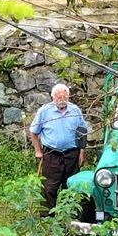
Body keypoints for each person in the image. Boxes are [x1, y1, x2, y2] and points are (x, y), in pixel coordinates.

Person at [28, 83, 89, 211]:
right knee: (49, 188)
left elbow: (82, 132)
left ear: (68, 96)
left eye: (64, 96)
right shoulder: (44, 111)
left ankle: (69, 218)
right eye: (59, 97)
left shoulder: (75, 110)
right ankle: (47, 219)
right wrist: (38, 151)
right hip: (52, 155)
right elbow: (33, 131)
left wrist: (82, 152)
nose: (62, 99)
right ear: (53, 97)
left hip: (72, 154)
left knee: (71, 186)